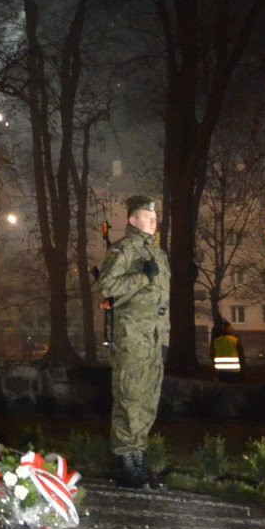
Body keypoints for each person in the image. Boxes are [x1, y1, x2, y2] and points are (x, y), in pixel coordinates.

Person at [94, 194, 169, 489]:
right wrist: (140, 277)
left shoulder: (158, 255)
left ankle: (139, 460)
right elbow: (107, 287)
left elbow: (163, 303)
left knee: (148, 401)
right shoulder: (123, 250)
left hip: (152, 340)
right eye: (146, 217)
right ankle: (127, 464)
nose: (152, 221)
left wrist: (164, 340)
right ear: (132, 220)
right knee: (128, 400)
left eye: (154, 218)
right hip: (130, 339)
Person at [210, 318, 242, 382]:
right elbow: (241, 356)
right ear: (229, 330)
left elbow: (212, 355)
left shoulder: (217, 341)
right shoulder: (235, 340)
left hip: (220, 371)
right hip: (234, 371)